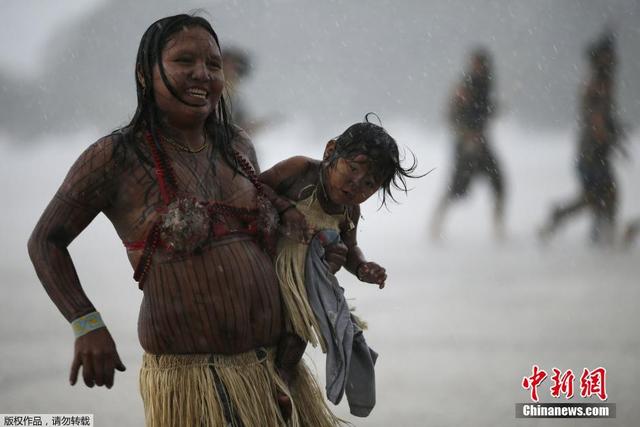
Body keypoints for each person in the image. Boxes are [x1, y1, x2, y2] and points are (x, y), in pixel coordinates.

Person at [28, 14, 346, 426]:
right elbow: (46, 241)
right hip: (192, 385)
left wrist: (316, 251)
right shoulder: (116, 157)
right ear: (145, 74)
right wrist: (85, 322)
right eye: (184, 61)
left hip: (272, 374)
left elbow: (265, 244)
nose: (202, 74)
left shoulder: (237, 146)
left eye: (213, 65)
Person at [258, 116, 421, 416]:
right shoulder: (300, 171)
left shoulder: (349, 211)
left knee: (303, 324)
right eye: (353, 168)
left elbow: (350, 248)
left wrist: (361, 268)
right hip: (265, 265)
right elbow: (253, 187)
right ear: (330, 150)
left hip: (304, 286)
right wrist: (285, 211)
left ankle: (281, 377)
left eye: (370, 183)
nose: (356, 184)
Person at [539, 31, 622, 246]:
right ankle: (601, 237)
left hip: (596, 150)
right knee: (600, 196)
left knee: (602, 196)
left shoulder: (601, 80)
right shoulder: (597, 82)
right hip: (591, 151)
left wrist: (613, 133)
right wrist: (606, 133)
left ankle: (599, 236)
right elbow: (594, 117)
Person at [430, 48, 505, 240]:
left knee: (498, 183)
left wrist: (493, 110)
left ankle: (499, 230)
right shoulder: (465, 86)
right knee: (457, 188)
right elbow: (452, 115)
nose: (479, 68)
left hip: (481, 143)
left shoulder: (486, 85)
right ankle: (436, 225)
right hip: (466, 145)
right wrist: (466, 135)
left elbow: (483, 112)